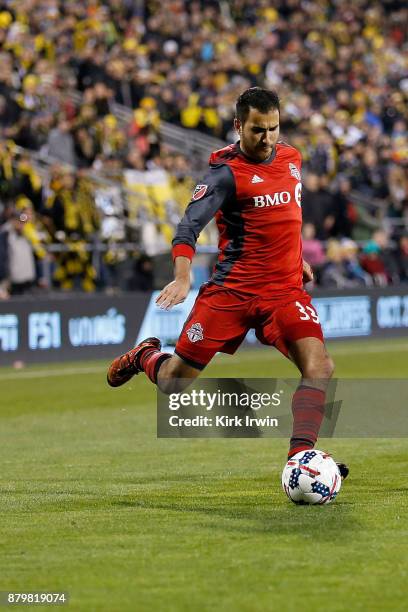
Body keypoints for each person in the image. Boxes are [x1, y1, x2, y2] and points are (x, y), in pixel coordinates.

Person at [107, 87, 348, 477]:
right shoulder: (224, 175)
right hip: (232, 293)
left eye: (273, 128)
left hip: (283, 292)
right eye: (257, 129)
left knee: (319, 366)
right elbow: (188, 227)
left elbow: (288, 216)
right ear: (238, 125)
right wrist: (183, 278)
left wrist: (297, 257)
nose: (266, 138)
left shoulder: (292, 158)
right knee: (172, 384)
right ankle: (144, 355)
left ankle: (299, 460)